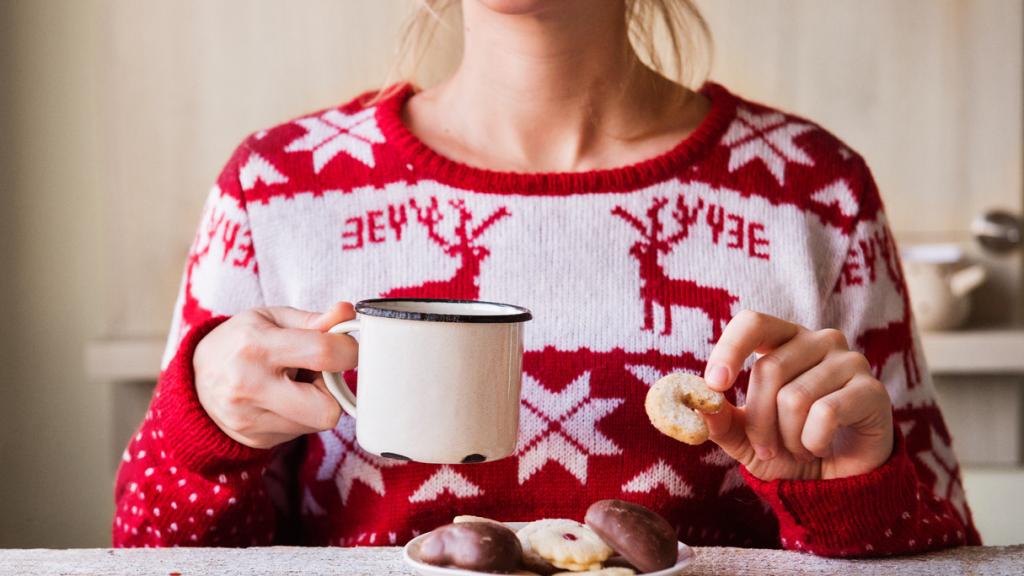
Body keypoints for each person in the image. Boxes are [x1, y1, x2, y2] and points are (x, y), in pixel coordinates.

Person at [113, 0, 980, 556]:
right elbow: (152, 551)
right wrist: (202, 432)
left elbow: (941, 549)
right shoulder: (277, 189)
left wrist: (856, 493)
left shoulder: (813, 188)